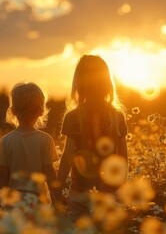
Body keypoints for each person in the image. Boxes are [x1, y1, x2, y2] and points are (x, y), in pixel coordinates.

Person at [58, 55, 128, 222]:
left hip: (79, 192)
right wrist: (121, 188)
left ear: (78, 84)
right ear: (106, 83)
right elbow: (123, 157)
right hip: (109, 193)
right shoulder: (116, 117)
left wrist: (57, 188)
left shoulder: (73, 117)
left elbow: (67, 157)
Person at [0, 82, 60, 206]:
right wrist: (57, 199)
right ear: (41, 111)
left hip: (13, 203)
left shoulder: (6, 141)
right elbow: (50, 173)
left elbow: (2, 175)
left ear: (13, 111)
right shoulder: (45, 140)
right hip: (38, 202)